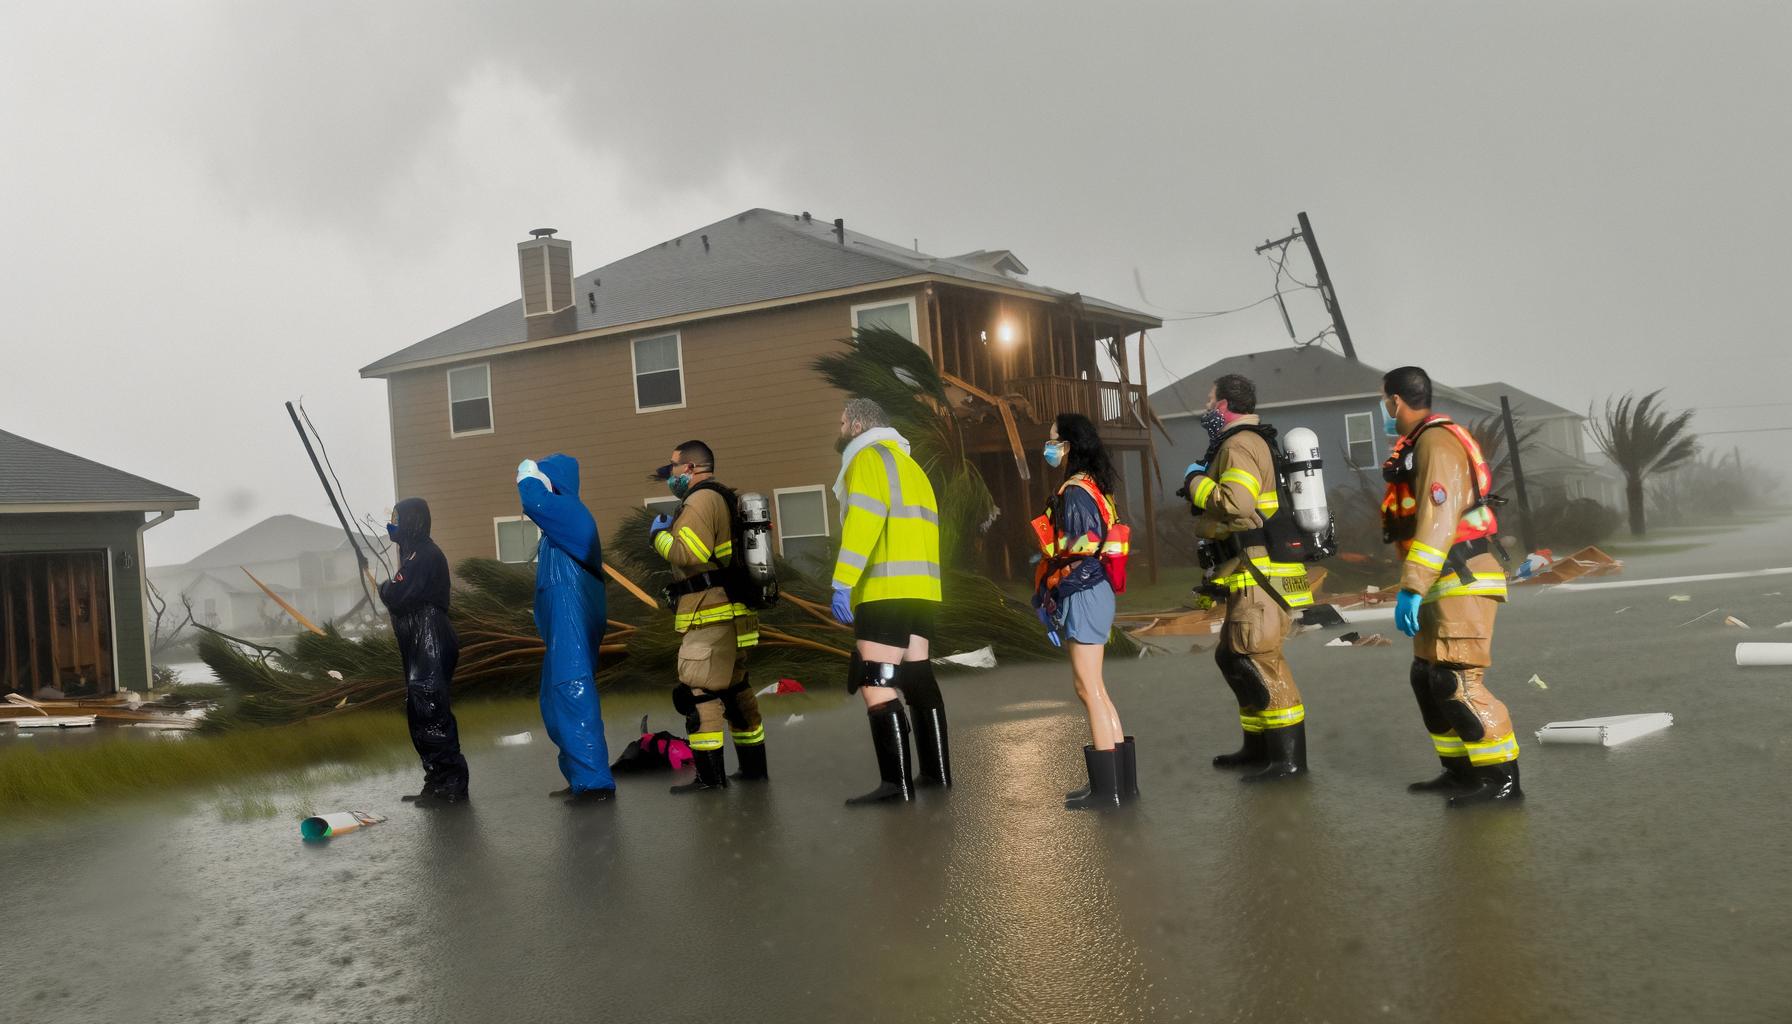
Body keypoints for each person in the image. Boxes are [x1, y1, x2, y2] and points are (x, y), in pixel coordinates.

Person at [1381, 367, 1523, 806]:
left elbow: (1439, 521)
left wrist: (1411, 585)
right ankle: (1460, 772)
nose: (1384, 410)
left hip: (1460, 575)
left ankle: (1501, 781)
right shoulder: (1420, 442)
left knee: (1456, 681)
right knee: (1427, 677)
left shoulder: (1436, 443)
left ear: (1395, 402)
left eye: (1384, 402)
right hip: (1443, 580)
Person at [1181, 373, 1314, 783]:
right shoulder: (1253, 442)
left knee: (1259, 660)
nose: (1206, 411)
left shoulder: (1238, 444)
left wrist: (1196, 483)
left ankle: (1287, 761)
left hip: (1258, 573)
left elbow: (1238, 505)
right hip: (1257, 569)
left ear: (1224, 406)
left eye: (1209, 403)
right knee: (1233, 655)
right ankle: (1257, 748)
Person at [829, 397, 950, 805]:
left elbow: (863, 522)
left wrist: (843, 581)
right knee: (917, 678)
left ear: (860, 425)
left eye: (843, 422)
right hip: (920, 591)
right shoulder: (910, 465)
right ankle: (936, 774)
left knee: (874, 680)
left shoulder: (866, 459)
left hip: (884, 590)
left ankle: (895, 785)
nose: (841, 429)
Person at [649, 439, 768, 793]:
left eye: (673, 466)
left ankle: (709, 778)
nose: (669, 473)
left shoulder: (700, 500)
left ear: (690, 468)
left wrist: (658, 535)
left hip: (711, 615)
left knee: (699, 693)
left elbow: (690, 551)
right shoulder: (723, 498)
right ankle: (753, 770)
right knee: (735, 690)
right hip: (730, 612)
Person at [1034, 413, 1134, 810]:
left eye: (1053, 438)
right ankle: (1120, 783)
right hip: (1098, 592)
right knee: (1096, 689)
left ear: (1069, 445)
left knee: (1088, 689)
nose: (1049, 445)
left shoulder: (1075, 492)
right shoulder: (1094, 487)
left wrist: (1056, 594)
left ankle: (1106, 790)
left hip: (1086, 593)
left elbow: (1084, 555)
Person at [517, 454, 616, 805]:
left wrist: (528, 476)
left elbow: (533, 500)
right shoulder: (555, 531)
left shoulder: (571, 512)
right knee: (555, 702)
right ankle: (579, 775)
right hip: (561, 628)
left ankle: (594, 782)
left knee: (573, 692)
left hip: (571, 623)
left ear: (553, 483)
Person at [379, 498, 470, 806]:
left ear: (412, 521)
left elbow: (398, 593)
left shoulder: (424, 555)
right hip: (420, 636)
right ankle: (436, 778)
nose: (392, 525)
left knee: (430, 705)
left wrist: (384, 589)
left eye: (397, 518)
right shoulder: (413, 555)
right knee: (419, 708)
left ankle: (451, 782)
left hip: (429, 634)